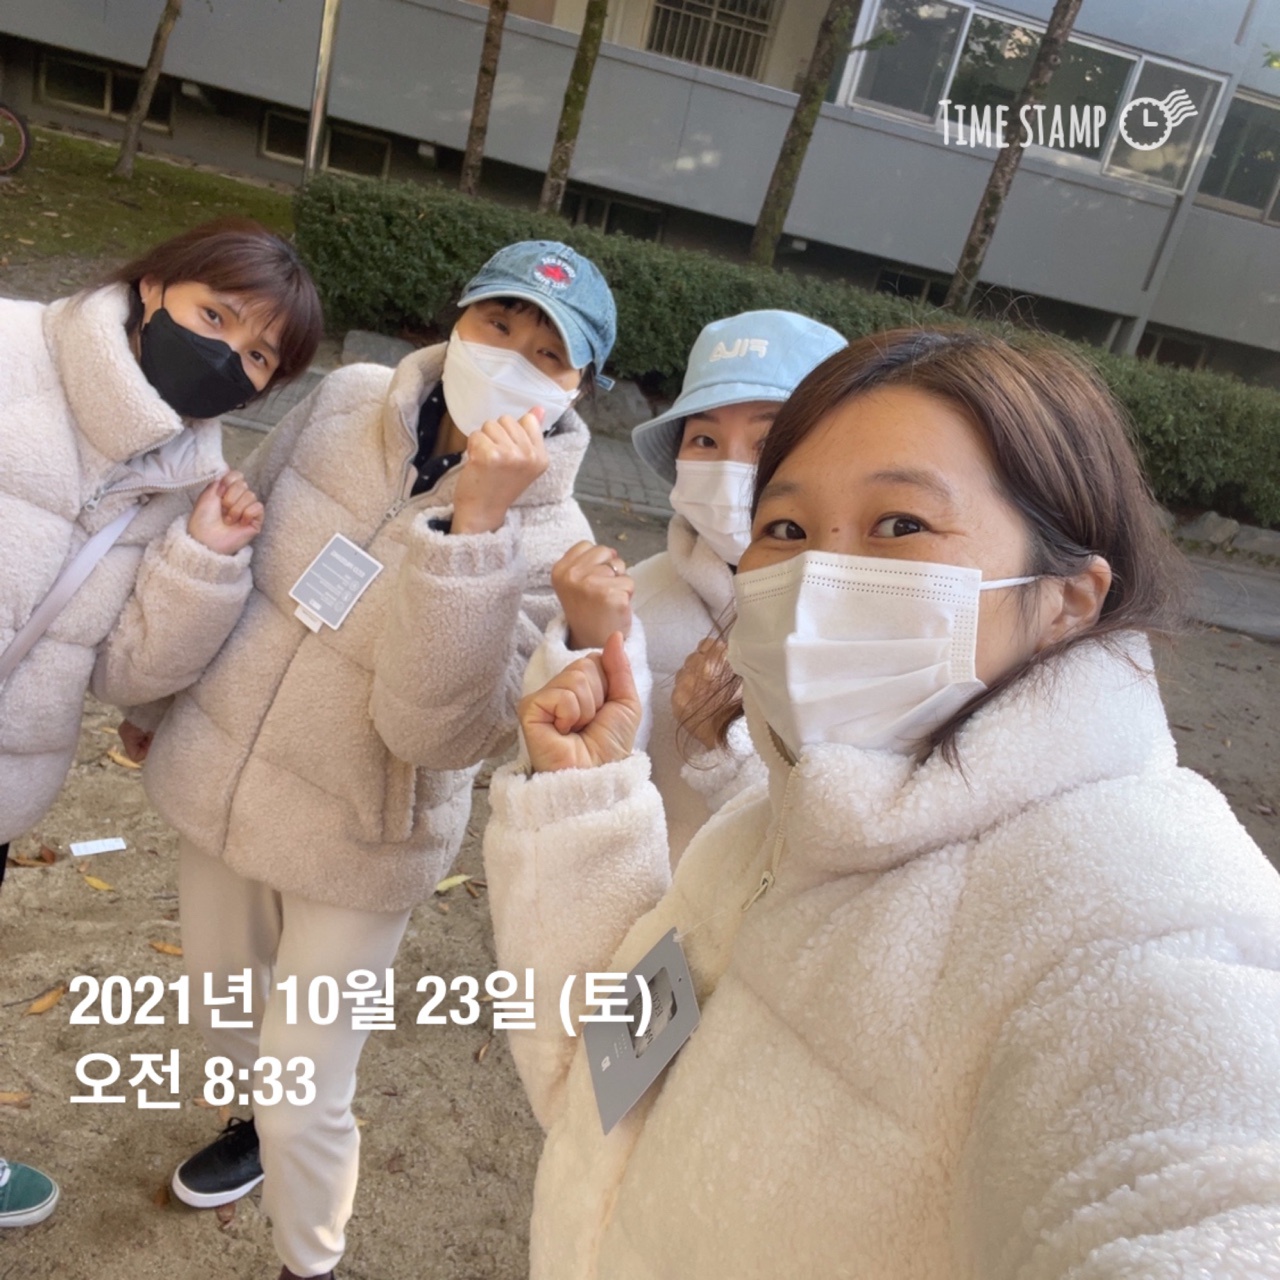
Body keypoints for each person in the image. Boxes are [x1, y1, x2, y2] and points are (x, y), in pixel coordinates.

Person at [483, 328, 1280, 1278]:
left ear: (1069, 597)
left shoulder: (1136, 907)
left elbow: (1210, 1184)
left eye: (900, 524)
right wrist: (583, 798)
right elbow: (599, 1087)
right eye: (785, 529)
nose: (818, 576)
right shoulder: (767, 823)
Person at [137, 241, 616, 1280]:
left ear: (580, 388)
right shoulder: (350, 397)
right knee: (225, 1005)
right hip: (226, 771)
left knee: (306, 1084)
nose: (512, 358)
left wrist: (476, 523)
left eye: (549, 354)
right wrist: (164, 697)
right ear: (457, 317)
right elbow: (242, 528)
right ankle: (246, 1125)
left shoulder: (557, 543)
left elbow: (436, 736)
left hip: (365, 833)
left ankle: (308, 1261)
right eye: (498, 324)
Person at [0, 217, 321, 1229]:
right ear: (153, 289)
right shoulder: (12, 349)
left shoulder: (186, 478)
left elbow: (124, 669)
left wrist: (203, 558)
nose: (227, 355)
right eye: (214, 316)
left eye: (259, 354)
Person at [526, 310, 845, 859]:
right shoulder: (637, 597)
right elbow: (559, 779)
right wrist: (590, 644)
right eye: (704, 438)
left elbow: (847, 841)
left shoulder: (874, 623)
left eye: (769, 440)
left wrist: (734, 736)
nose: (731, 468)